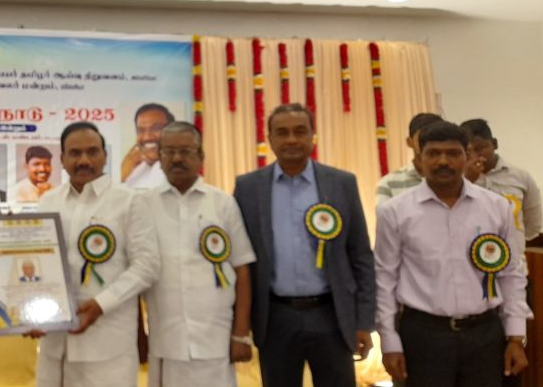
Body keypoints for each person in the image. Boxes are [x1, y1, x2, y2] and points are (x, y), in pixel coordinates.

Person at [375, 121, 531, 387]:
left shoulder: (496, 207)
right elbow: (384, 279)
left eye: (453, 153)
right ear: (420, 158)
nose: (443, 161)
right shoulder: (395, 211)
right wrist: (389, 341)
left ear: (467, 156)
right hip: (423, 336)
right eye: (433, 153)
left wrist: (516, 337)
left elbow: (511, 274)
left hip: (485, 335)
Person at [232, 103, 375, 387]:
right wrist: (240, 327)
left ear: (312, 135)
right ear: (269, 139)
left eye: (300, 131)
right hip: (275, 317)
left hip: (332, 314)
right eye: (282, 133)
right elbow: (241, 262)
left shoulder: (341, 183)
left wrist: (364, 321)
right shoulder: (248, 188)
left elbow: (360, 256)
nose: (292, 140)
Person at [26, 121, 160, 387]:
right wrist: (30, 311)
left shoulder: (129, 201)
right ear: (62, 159)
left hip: (107, 347)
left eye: (92, 152)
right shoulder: (49, 201)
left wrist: (101, 304)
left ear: (105, 155)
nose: (84, 160)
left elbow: (147, 265)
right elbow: (38, 262)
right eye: (75, 153)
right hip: (54, 345)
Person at [144, 122, 255, 387]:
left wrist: (241, 334)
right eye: (169, 151)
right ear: (159, 157)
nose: (177, 158)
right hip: (166, 340)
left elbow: (242, 270)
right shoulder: (143, 204)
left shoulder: (222, 203)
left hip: (215, 339)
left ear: (201, 156)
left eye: (185, 151)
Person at [460, 119, 542, 241]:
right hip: (468, 249)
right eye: (468, 152)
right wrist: (467, 180)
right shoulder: (457, 180)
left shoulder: (521, 177)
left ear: (494, 144)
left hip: (511, 250)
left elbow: (533, 225)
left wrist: (513, 240)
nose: (475, 156)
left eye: (480, 148)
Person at [375, 113, 442, 205]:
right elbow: (384, 214)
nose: (429, 143)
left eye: (436, 138)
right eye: (422, 138)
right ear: (409, 142)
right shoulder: (388, 184)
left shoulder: (454, 180)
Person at [121, 103, 173, 189]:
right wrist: (122, 175)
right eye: (141, 130)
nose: (147, 137)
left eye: (156, 128)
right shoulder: (135, 167)